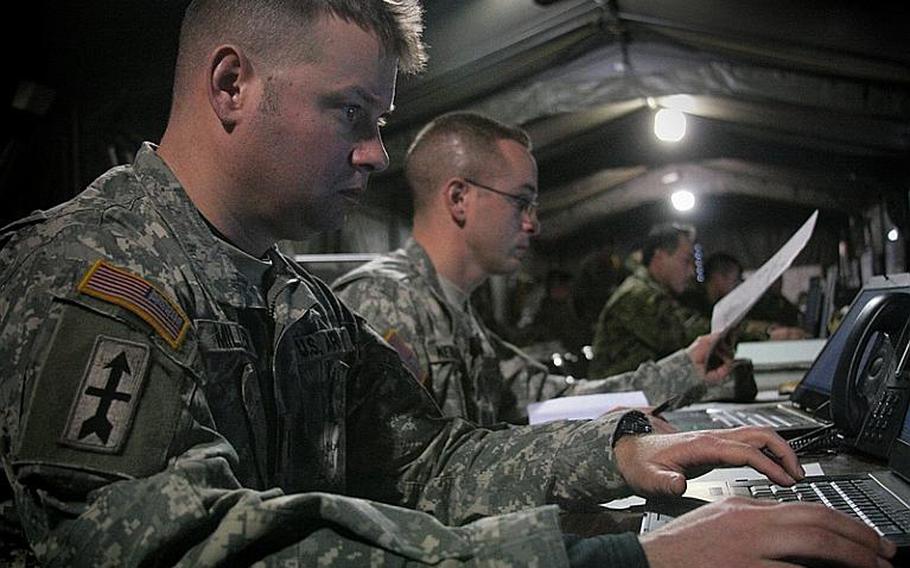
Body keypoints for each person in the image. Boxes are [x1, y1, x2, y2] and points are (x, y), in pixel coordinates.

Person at [0, 2, 893, 567]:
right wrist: (617, 554)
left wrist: (620, 457)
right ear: (232, 84)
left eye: (380, 122)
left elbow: (427, 456)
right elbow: (175, 547)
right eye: (352, 114)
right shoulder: (99, 277)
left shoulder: (291, 300)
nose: (376, 154)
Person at [333, 112, 727, 425]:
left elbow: (551, 400)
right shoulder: (383, 303)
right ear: (459, 199)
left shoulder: (456, 315)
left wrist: (684, 371)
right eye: (521, 202)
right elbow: (416, 481)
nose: (532, 224)